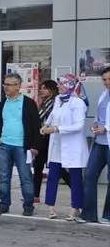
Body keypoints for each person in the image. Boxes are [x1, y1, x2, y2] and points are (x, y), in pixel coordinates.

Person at [0, 71, 40, 216]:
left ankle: (28, 206)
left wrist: (35, 146)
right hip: (4, 145)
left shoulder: (28, 103)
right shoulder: (2, 103)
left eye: (9, 85)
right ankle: (4, 204)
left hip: (22, 147)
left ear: (18, 86)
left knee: (25, 177)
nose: (6, 87)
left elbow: (36, 126)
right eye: (4, 84)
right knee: (4, 177)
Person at [41, 74, 88, 222]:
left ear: (70, 85)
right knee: (52, 176)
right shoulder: (58, 100)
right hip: (57, 146)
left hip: (72, 146)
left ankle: (76, 208)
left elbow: (79, 126)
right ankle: (50, 207)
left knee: (75, 178)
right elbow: (53, 116)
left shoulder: (78, 103)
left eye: (62, 84)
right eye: (59, 84)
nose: (59, 86)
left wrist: (56, 129)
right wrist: (45, 126)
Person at [79, 66, 110, 224]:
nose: (107, 82)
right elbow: (100, 116)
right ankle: (88, 213)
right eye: (104, 80)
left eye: (109, 79)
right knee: (90, 175)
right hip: (100, 142)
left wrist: (106, 127)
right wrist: (96, 125)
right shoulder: (103, 95)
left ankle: (108, 215)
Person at [32, 80, 68, 203]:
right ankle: (35, 195)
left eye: (44, 88)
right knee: (38, 166)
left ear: (52, 90)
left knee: (55, 167)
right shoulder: (44, 103)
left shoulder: (53, 103)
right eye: (41, 88)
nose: (41, 90)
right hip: (43, 137)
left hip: (49, 138)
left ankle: (77, 189)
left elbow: (41, 119)